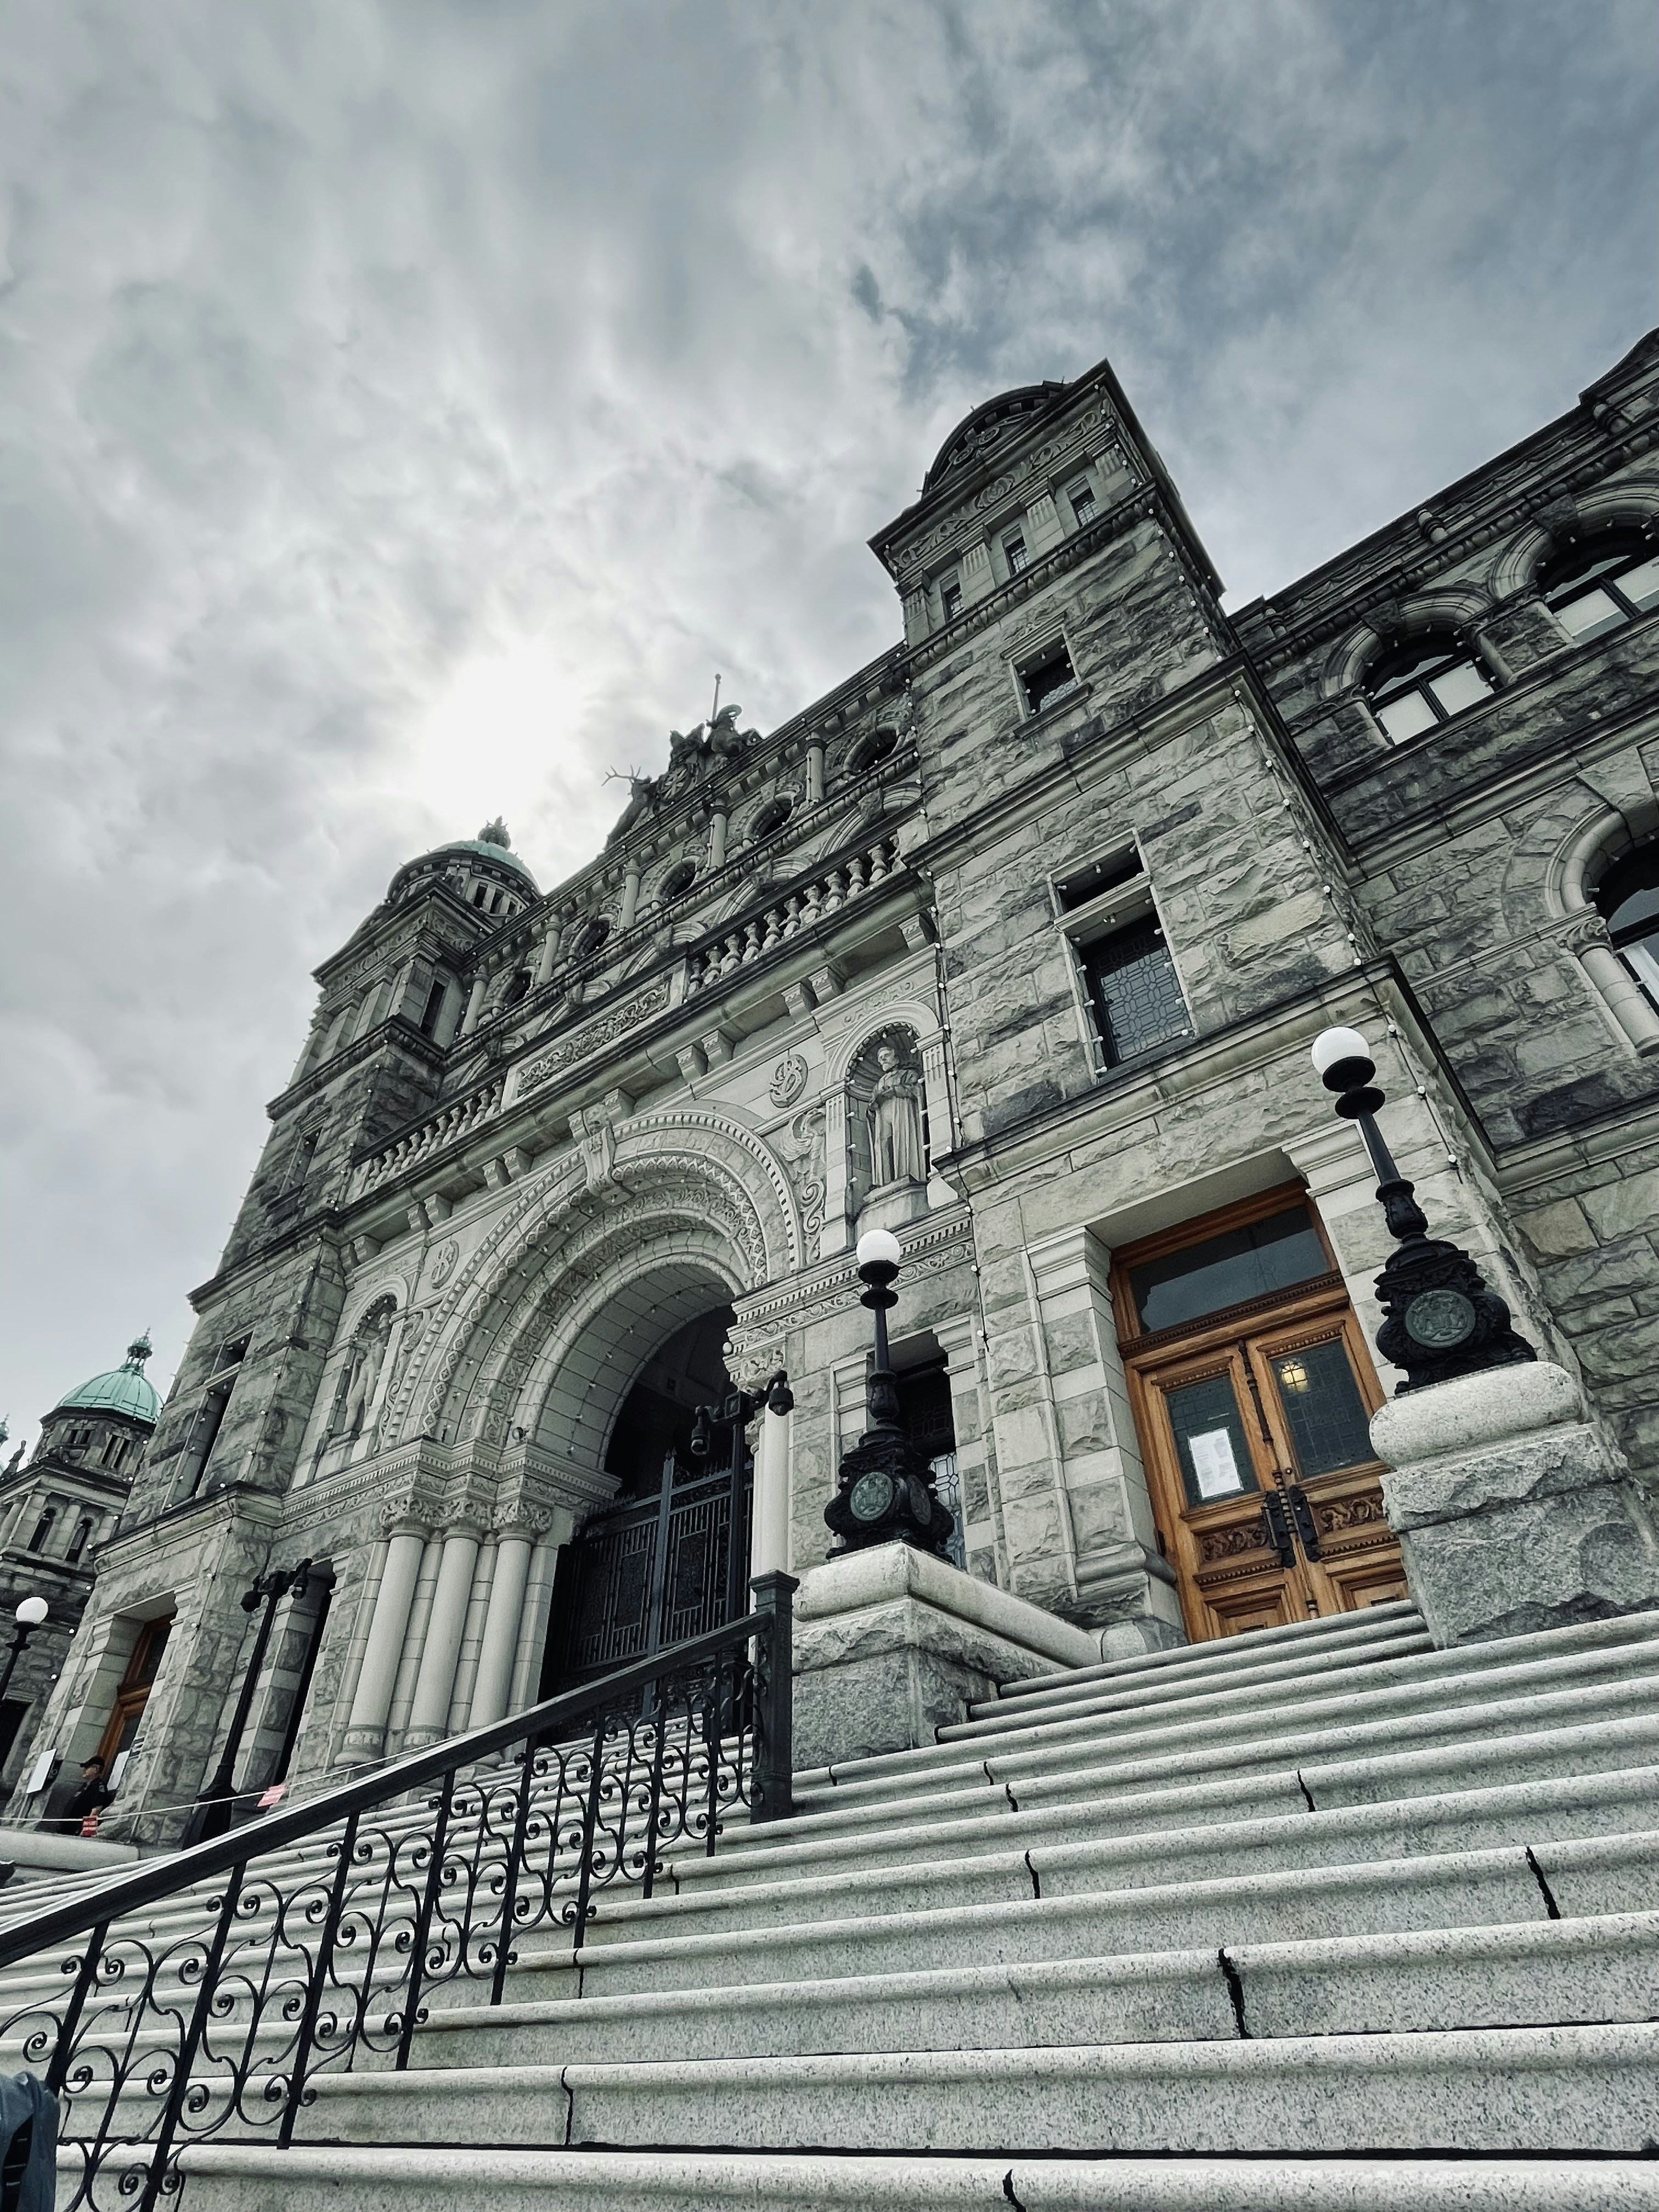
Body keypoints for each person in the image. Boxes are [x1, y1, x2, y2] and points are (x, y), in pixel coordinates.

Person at [47, 1756, 114, 1837]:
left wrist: (86, 1832)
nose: (84, 1770)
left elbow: (96, 1811)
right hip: (65, 1830)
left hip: (76, 1833)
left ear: (96, 1769)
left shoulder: (98, 1787)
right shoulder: (85, 1786)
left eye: (87, 1767)